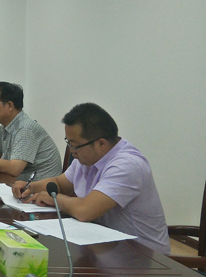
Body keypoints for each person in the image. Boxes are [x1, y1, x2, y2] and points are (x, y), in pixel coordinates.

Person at [12, 103, 170, 254]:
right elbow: (60, 183)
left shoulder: (127, 165)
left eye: (74, 145)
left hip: (142, 256)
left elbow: (85, 211)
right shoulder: (88, 157)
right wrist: (32, 187)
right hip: (104, 243)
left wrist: (54, 198)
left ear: (101, 144)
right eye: (69, 143)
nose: (71, 151)